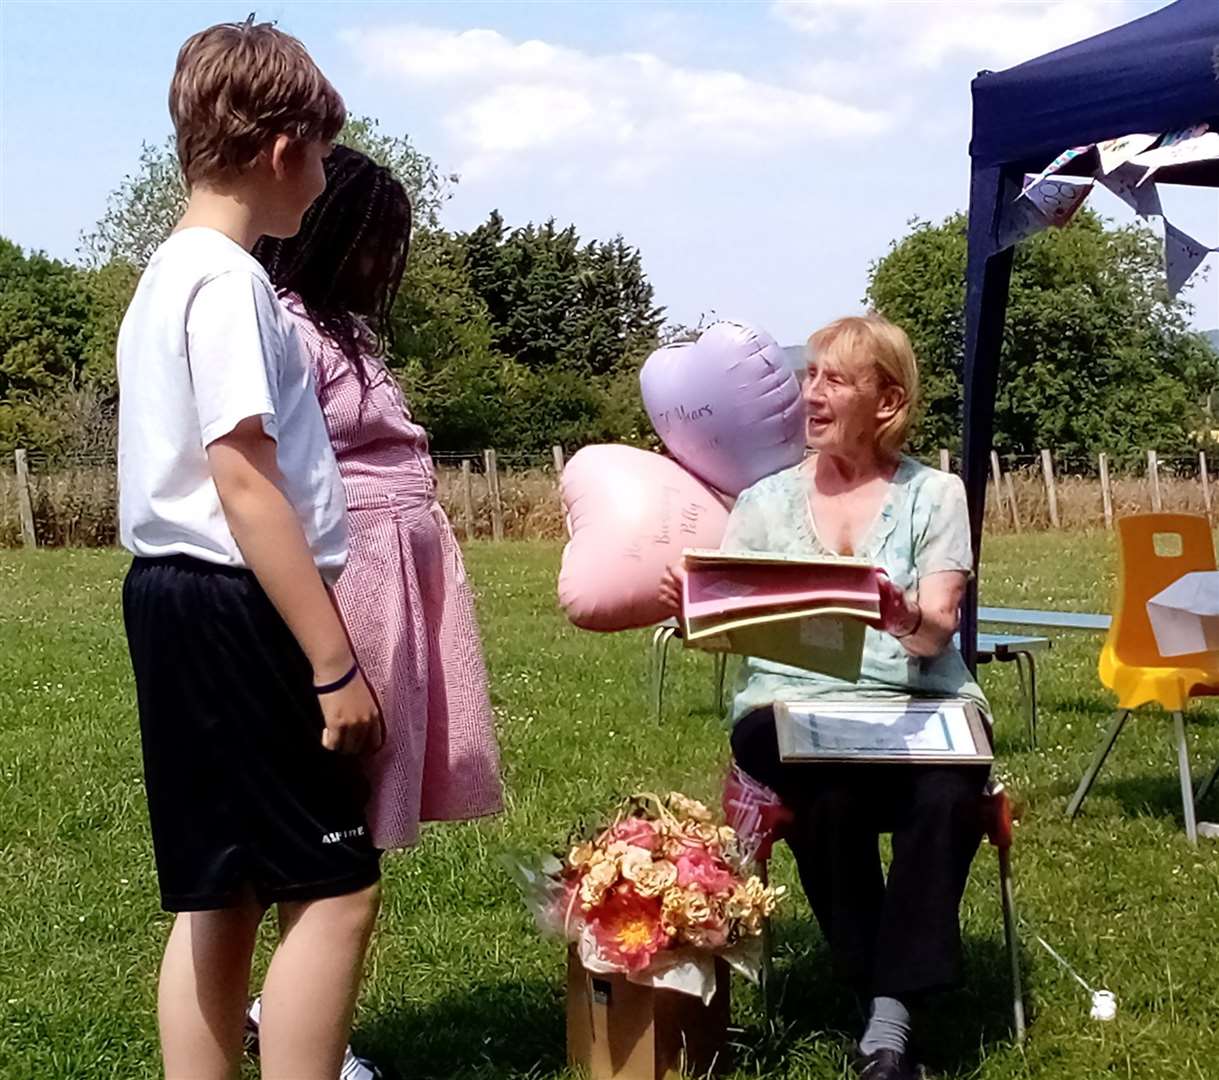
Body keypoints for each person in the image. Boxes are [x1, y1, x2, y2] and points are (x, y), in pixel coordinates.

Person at [118, 20, 382, 1080]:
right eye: (319, 158)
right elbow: (243, 476)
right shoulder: (228, 283)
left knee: (218, 890)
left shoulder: (165, 274)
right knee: (335, 888)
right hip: (238, 604)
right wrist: (335, 665)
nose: (322, 183)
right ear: (281, 150)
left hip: (173, 599)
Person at [660, 314, 990, 1080]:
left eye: (833, 379)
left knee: (947, 794)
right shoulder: (763, 502)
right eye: (807, 375)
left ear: (886, 400)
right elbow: (725, 630)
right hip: (788, 706)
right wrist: (694, 605)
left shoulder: (934, 495)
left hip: (917, 704)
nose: (809, 394)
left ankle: (885, 1015)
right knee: (826, 795)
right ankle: (888, 1007)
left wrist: (902, 613)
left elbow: (938, 629)